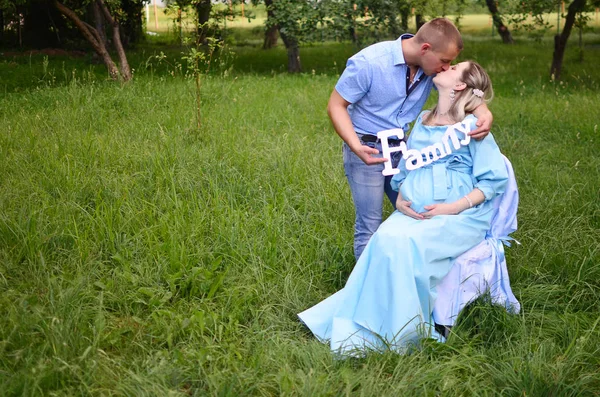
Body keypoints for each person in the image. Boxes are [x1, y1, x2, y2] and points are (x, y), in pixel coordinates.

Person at [299, 60, 509, 354]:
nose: (443, 68)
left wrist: (453, 208)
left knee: (406, 243)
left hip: (462, 214)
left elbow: (493, 181)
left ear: (460, 85)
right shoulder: (424, 119)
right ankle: (362, 324)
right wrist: (398, 197)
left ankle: (403, 334)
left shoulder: (474, 127)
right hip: (415, 209)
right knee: (384, 238)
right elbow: (408, 166)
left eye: (452, 69)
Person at [328, 17, 493, 259]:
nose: (447, 67)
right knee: (370, 224)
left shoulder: (431, 69)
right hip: (366, 150)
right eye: (445, 61)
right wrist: (355, 146)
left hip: (403, 152)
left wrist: (483, 111)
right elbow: (336, 105)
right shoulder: (370, 62)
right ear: (426, 49)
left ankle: (408, 270)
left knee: (414, 212)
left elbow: (460, 89)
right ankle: (367, 288)